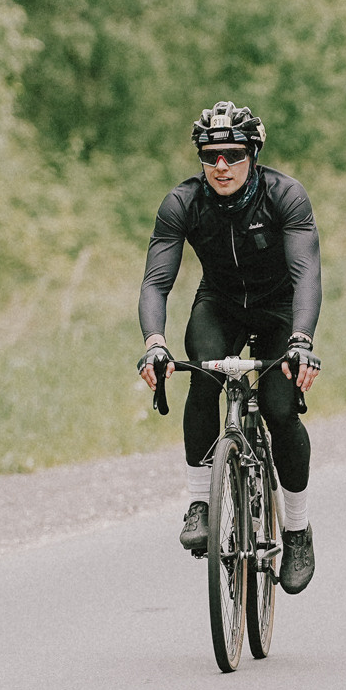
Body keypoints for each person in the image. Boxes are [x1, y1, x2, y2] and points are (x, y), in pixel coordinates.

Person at [136, 102, 322, 594]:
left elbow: (307, 274)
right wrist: (154, 343)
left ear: (252, 155)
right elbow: (156, 284)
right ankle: (201, 501)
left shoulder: (286, 196)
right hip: (219, 303)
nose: (221, 166)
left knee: (281, 412)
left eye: (233, 155)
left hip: (280, 307)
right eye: (210, 155)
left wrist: (302, 341)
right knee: (202, 378)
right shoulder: (183, 202)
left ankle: (297, 530)